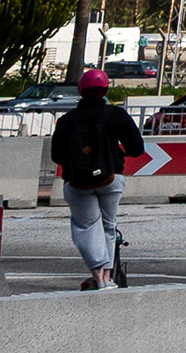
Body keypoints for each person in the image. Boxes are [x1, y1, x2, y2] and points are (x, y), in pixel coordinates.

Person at [47, 68, 147, 289]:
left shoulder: (67, 120)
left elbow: (57, 156)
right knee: (108, 225)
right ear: (105, 90)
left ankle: (98, 275)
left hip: (77, 182)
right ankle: (108, 277)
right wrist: (116, 154)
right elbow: (137, 148)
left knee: (86, 226)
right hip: (111, 179)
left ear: (80, 91)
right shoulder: (117, 115)